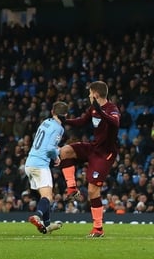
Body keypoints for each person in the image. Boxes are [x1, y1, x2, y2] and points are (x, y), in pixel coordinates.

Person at [58, 81, 120, 238]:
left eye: (90, 93)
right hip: (93, 148)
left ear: (96, 94)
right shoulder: (93, 108)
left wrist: (101, 111)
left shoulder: (112, 109)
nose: (88, 95)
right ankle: (71, 188)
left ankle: (98, 228)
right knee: (65, 151)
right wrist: (64, 121)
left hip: (106, 153)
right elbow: (81, 121)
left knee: (93, 190)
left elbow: (115, 123)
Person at [25, 101, 70, 235]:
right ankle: (37, 216)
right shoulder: (59, 128)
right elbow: (50, 148)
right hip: (40, 164)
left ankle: (47, 225)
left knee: (44, 195)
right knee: (48, 197)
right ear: (66, 115)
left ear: (52, 112)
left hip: (29, 162)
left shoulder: (45, 122)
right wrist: (56, 156)